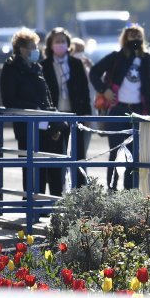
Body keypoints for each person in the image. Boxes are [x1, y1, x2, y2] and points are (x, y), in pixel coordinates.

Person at [89, 24, 150, 190]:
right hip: (118, 109)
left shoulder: (148, 60)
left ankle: (130, 191)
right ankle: (112, 189)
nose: (135, 39)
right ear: (125, 38)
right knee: (115, 152)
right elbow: (94, 73)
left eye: (138, 36)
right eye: (131, 36)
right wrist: (104, 90)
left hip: (138, 111)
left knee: (134, 154)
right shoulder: (115, 58)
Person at [0, 28, 65, 196]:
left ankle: (51, 204)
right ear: (22, 49)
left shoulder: (37, 67)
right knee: (31, 167)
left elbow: (46, 94)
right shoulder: (11, 68)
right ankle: (33, 203)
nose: (36, 50)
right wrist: (33, 108)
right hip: (27, 126)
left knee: (52, 164)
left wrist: (53, 117)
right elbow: (9, 100)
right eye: (33, 46)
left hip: (46, 123)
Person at [41, 27, 92, 188]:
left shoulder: (76, 64)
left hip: (75, 115)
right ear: (50, 45)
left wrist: (87, 114)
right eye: (57, 41)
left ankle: (81, 194)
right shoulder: (44, 65)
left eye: (63, 41)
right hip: (54, 116)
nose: (60, 44)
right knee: (55, 156)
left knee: (78, 156)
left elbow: (85, 90)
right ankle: (55, 196)